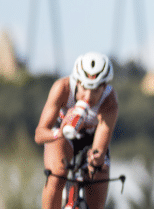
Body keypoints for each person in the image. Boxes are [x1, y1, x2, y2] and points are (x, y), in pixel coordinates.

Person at [35, 52, 119, 209]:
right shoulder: (62, 88)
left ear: (104, 86)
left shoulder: (109, 100)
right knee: (57, 174)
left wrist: (96, 160)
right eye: (85, 88)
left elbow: (99, 146)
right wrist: (59, 133)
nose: (88, 96)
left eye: (95, 90)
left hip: (91, 138)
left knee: (98, 176)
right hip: (61, 134)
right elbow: (39, 134)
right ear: (77, 81)